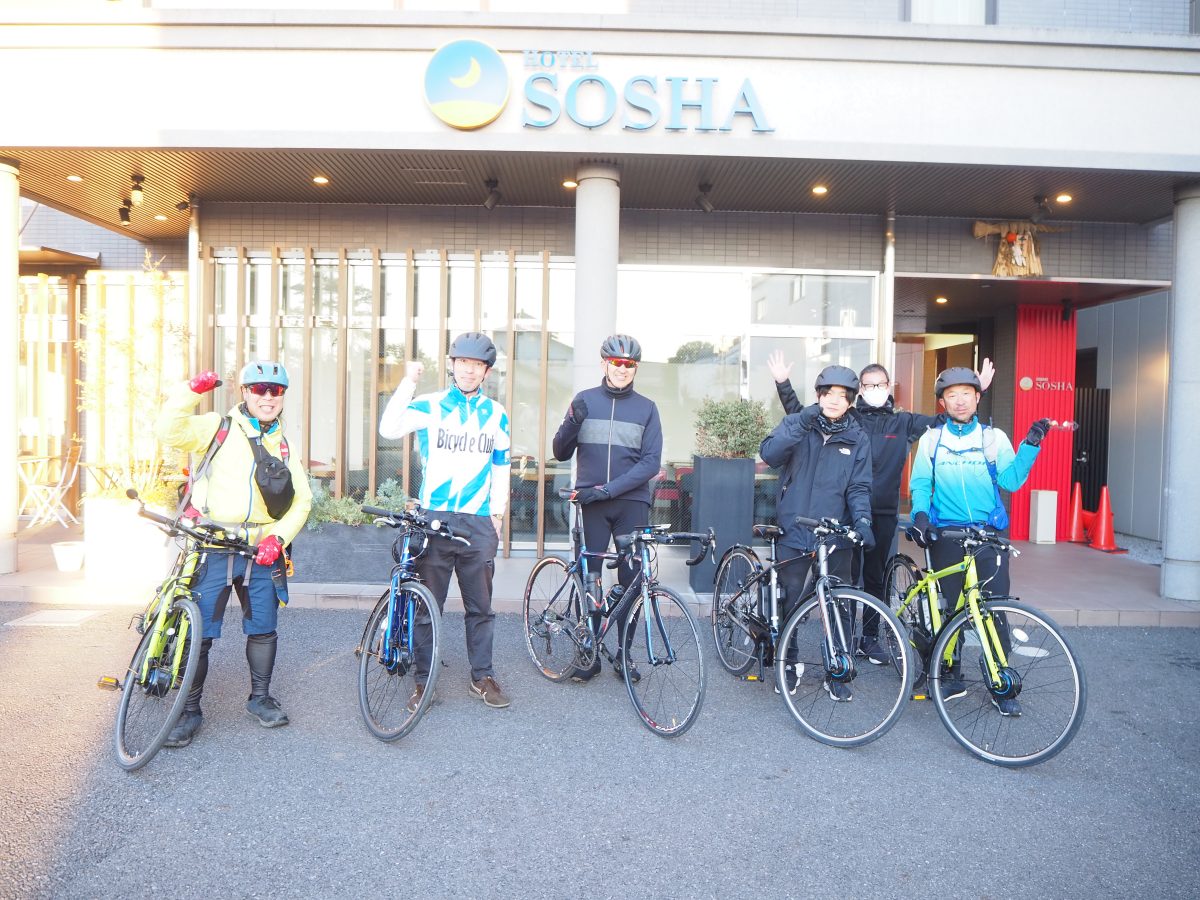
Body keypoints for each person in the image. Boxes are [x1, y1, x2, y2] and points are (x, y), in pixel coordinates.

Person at [767, 352, 994, 663]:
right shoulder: (849, 416)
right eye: (868, 385)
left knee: (875, 578)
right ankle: (828, 640)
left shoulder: (904, 422)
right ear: (859, 389)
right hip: (842, 513)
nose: (875, 389)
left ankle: (869, 638)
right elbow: (802, 416)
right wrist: (783, 384)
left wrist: (976, 392)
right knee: (840, 581)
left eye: (880, 384)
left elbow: (948, 420)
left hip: (881, 512)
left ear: (889, 386)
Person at [155, 360, 313, 748]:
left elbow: (303, 501)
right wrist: (190, 391)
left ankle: (260, 698)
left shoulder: (284, 444)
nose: (267, 397)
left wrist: (278, 538)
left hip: (260, 550)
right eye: (258, 389)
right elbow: (168, 430)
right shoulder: (218, 428)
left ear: (283, 397)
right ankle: (189, 710)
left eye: (275, 391)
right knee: (199, 632)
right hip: (214, 545)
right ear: (244, 392)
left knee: (263, 627)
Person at [379, 332, 512, 710]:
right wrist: (408, 382)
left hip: (478, 520)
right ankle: (424, 681)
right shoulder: (432, 405)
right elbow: (388, 428)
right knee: (427, 605)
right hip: (434, 517)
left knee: (481, 607)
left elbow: (501, 467)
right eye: (463, 363)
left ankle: (482, 676)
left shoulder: (497, 414)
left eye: (477, 365)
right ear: (452, 366)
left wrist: (497, 513)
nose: (469, 370)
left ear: (486, 372)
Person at [907, 367, 1050, 716]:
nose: (960, 401)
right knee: (950, 607)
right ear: (942, 402)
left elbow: (1011, 481)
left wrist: (1030, 446)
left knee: (994, 607)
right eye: (952, 395)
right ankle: (949, 672)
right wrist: (920, 516)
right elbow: (921, 483)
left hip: (988, 534)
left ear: (977, 398)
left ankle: (1000, 680)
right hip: (947, 533)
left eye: (966, 394)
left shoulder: (993, 438)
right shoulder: (932, 439)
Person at [758, 365, 874, 701]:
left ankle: (837, 669)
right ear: (819, 396)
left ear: (851, 402)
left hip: (834, 534)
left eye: (842, 395)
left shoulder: (858, 438)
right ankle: (787, 660)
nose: (835, 400)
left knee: (838, 604)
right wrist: (801, 422)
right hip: (794, 527)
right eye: (828, 394)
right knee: (788, 599)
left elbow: (859, 486)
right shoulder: (800, 423)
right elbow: (770, 454)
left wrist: (863, 521)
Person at [551, 333, 663, 682]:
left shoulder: (647, 408)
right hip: (592, 504)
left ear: (635, 368)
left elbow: (651, 462)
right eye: (616, 363)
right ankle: (589, 653)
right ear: (604, 364)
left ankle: (624, 655)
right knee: (591, 578)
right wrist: (573, 422)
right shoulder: (584, 400)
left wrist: (608, 490)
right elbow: (559, 451)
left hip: (631, 503)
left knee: (631, 581)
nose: (622, 369)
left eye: (629, 364)